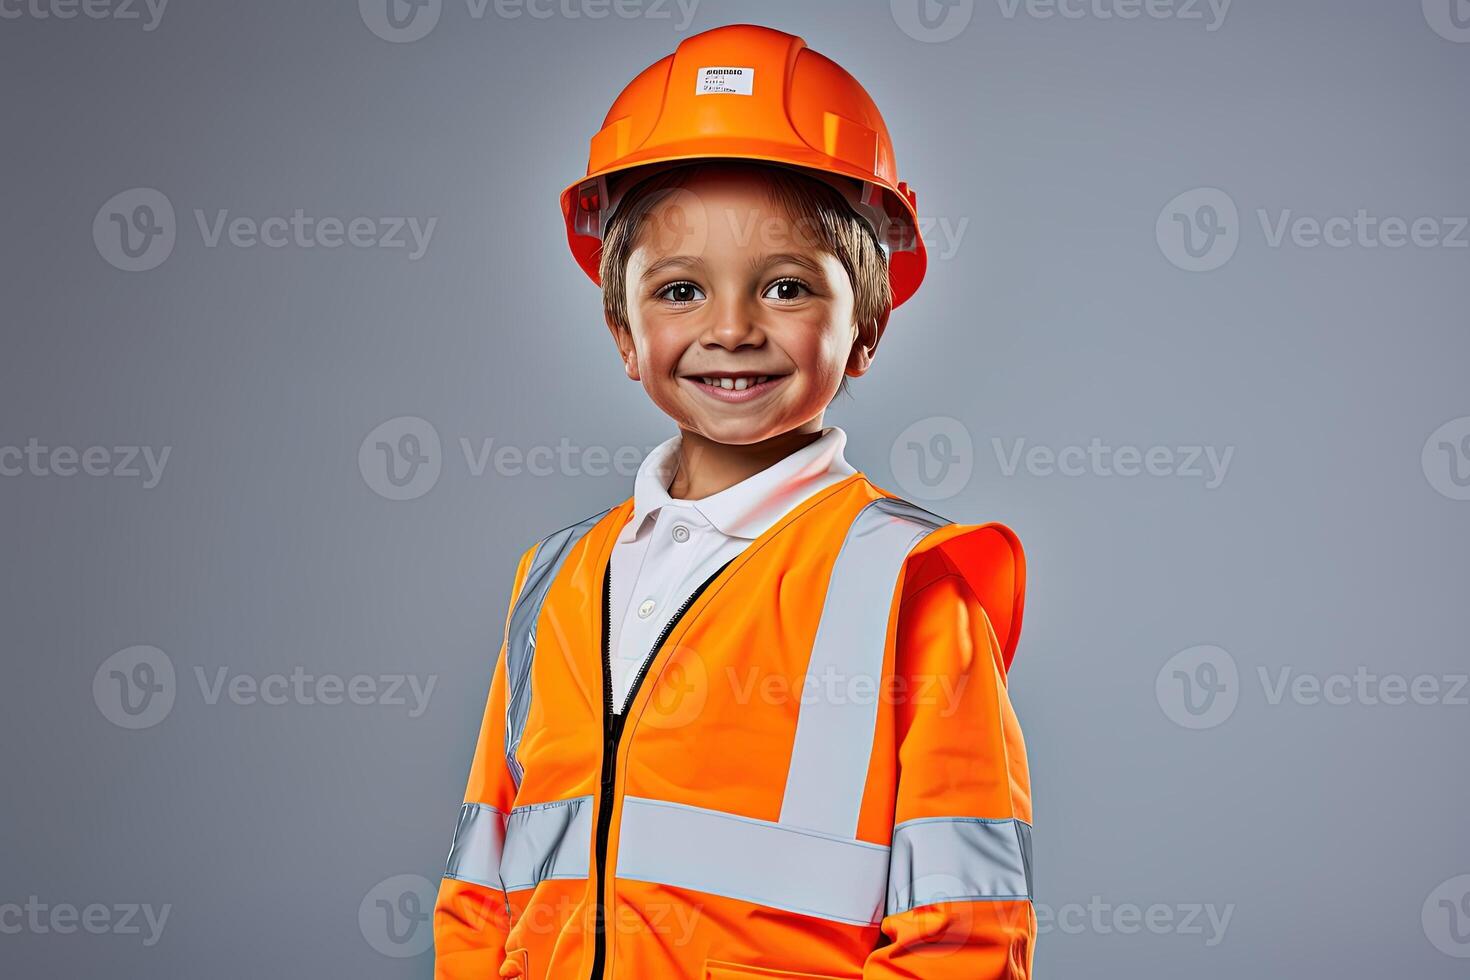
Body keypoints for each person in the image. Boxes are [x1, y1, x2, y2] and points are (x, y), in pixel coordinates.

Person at [433, 23, 1035, 979]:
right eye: (679, 290)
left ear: (865, 329)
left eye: (787, 287)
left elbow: (966, 930)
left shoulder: (911, 586)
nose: (731, 328)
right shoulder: (553, 578)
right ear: (623, 335)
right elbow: (481, 887)